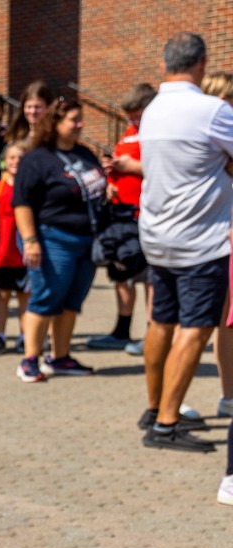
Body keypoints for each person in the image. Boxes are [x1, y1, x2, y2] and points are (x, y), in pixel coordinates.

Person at [138, 33, 233, 457]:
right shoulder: (212, 111)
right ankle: (167, 422)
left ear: (164, 65)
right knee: (195, 329)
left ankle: (154, 406)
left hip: (158, 236)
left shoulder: (152, 110)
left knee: (161, 322)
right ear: (202, 63)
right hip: (201, 240)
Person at [12, 97, 105, 382]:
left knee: (71, 301)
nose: (80, 125)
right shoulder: (36, 159)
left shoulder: (85, 153)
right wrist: (30, 241)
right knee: (45, 298)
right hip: (52, 239)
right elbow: (22, 203)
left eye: (80, 119)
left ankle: (60, 358)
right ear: (55, 124)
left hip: (86, 240)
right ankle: (29, 359)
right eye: (74, 120)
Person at [88, 83, 156, 353]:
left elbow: (165, 168)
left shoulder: (157, 132)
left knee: (150, 277)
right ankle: (121, 331)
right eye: (129, 116)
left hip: (144, 215)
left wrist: (131, 167)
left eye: (136, 115)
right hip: (119, 215)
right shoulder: (129, 132)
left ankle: (153, 334)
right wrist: (110, 170)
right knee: (121, 274)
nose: (131, 121)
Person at [198, 72, 233, 423]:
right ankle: (166, 403)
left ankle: (228, 395)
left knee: (227, 323)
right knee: (207, 322)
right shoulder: (206, 144)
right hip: (211, 242)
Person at [0, 143, 30, 354]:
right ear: (4, 160)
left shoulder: (30, 186)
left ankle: (24, 337)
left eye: (20, 158)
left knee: (24, 296)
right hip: (2, 251)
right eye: (12, 158)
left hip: (24, 253)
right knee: (3, 295)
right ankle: (0, 336)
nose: (15, 162)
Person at [4, 81, 54, 150]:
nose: (32, 111)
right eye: (29, 107)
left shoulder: (54, 135)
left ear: (48, 107)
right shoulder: (16, 135)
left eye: (37, 107)